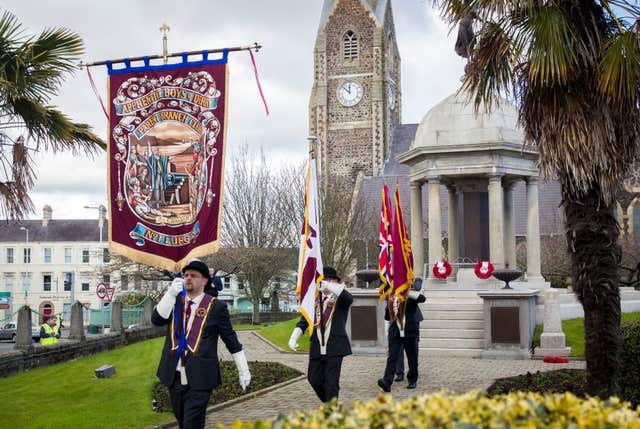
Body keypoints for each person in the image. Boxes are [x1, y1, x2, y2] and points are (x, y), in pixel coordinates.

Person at [152, 260, 251, 429]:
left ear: (204, 281)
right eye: (186, 275)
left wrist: (243, 370)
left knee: (192, 424)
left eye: (193, 276)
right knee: (183, 421)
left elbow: (231, 340)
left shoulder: (217, 307)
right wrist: (169, 294)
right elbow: (157, 320)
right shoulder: (175, 301)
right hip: (174, 376)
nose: (188, 279)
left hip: (200, 379)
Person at [288, 266, 352, 402]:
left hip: (335, 346)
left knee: (331, 382)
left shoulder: (340, 298)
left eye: (331, 280)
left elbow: (349, 298)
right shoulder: (314, 300)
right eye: (324, 279)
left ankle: (331, 411)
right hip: (317, 346)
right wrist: (294, 337)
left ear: (336, 281)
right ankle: (329, 402)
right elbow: (303, 322)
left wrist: (329, 285)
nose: (327, 282)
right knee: (314, 379)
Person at [378, 277, 426, 392]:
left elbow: (422, 298)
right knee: (392, 356)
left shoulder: (410, 293)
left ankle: (412, 379)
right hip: (395, 329)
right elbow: (386, 317)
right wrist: (390, 304)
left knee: (412, 356)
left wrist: (407, 292)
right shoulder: (392, 296)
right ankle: (387, 381)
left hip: (409, 328)